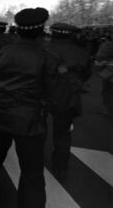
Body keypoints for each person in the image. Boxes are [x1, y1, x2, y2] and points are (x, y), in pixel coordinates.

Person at [0, 8, 59, 208]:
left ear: (17, 30)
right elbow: (54, 92)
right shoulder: (48, 58)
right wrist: (47, 108)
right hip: (30, 119)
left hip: (0, 112)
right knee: (32, 173)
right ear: (41, 31)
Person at [45, 23, 92, 182]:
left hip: (42, 93)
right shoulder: (81, 52)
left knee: (36, 129)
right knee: (63, 134)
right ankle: (61, 168)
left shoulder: (43, 48)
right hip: (67, 95)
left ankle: (33, 160)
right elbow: (86, 75)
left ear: (53, 33)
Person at [95, 36, 113, 118]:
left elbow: (101, 57)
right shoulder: (108, 45)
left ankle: (108, 110)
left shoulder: (108, 45)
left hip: (110, 74)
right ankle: (108, 110)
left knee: (107, 91)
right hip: (109, 73)